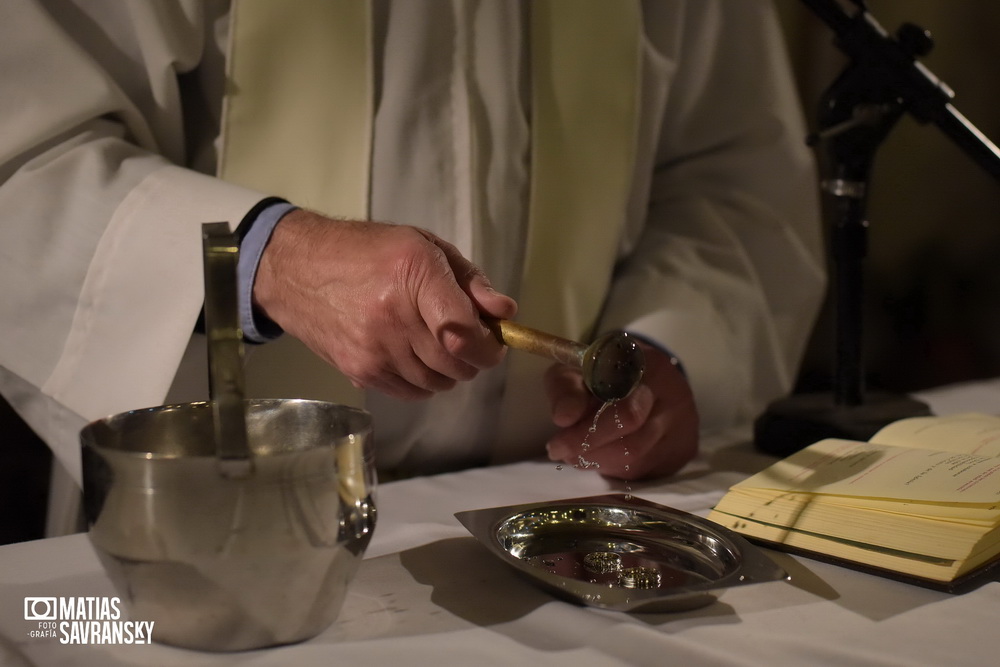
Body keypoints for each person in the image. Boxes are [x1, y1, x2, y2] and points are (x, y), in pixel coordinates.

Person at [0, 0, 825, 514]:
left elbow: (733, 183)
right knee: (72, 636)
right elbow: (25, 161)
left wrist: (677, 346)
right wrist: (273, 259)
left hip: (550, 518)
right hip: (206, 533)